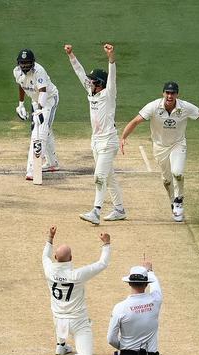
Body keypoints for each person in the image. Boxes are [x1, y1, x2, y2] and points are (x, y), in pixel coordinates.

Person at [120, 82, 199, 221]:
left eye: (173, 93)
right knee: (166, 180)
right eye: (167, 93)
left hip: (178, 144)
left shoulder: (185, 107)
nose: (170, 96)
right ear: (163, 93)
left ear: (177, 94)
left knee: (177, 172)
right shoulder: (153, 106)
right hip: (159, 147)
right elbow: (135, 121)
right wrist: (123, 137)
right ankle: (173, 202)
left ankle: (178, 201)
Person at [65, 43, 126, 225]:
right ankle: (119, 209)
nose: (89, 82)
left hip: (108, 141)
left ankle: (96, 212)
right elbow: (79, 72)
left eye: (93, 81)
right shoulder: (91, 93)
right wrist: (71, 55)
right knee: (109, 177)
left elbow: (113, 77)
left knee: (99, 177)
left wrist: (111, 57)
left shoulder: (108, 94)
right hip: (96, 141)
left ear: (100, 84)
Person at [42, 225, 110, 355]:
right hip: (78, 322)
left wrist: (50, 237)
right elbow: (102, 264)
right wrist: (106, 244)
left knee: (59, 314)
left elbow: (45, 257)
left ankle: (61, 345)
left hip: (58, 321)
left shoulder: (49, 270)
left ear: (55, 257)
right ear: (71, 258)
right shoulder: (77, 275)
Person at [13, 49, 61, 179]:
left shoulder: (39, 71)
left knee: (39, 132)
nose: (24, 66)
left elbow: (43, 91)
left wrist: (40, 109)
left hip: (49, 99)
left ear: (32, 63)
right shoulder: (17, 72)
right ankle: (52, 163)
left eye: (27, 63)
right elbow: (21, 85)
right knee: (45, 129)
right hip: (35, 100)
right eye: (22, 63)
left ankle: (33, 169)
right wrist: (21, 104)